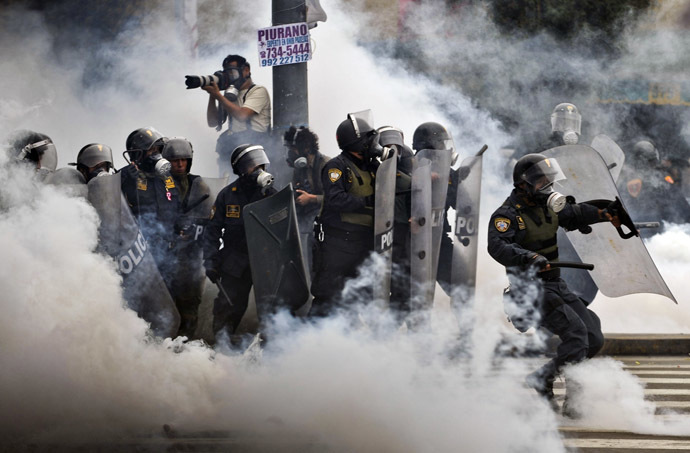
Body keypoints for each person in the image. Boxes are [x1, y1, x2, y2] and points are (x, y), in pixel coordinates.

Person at [487, 153, 620, 417]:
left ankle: (559, 388)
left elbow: (574, 214)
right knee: (577, 338)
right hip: (530, 290)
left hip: (555, 284)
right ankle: (545, 380)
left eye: (549, 181)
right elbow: (498, 246)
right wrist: (529, 257)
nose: (547, 187)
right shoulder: (507, 215)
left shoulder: (549, 206)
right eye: (541, 182)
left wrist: (605, 214)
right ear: (523, 184)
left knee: (593, 338)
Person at [202, 143, 277, 344]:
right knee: (228, 307)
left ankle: (272, 354)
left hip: (264, 262)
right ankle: (221, 349)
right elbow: (212, 231)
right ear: (241, 169)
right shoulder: (228, 195)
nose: (259, 170)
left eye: (261, 165)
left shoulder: (270, 194)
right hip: (235, 261)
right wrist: (210, 261)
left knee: (271, 310)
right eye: (253, 166)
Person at [310, 114, 378, 317]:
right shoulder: (336, 167)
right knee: (327, 297)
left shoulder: (374, 166)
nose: (373, 143)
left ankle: (345, 344)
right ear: (357, 143)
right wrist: (367, 202)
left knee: (360, 297)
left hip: (366, 242)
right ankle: (303, 343)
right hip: (339, 243)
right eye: (369, 138)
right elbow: (334, 199)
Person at [161, 137, 210, 339]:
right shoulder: (160, 184)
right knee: (165, 303)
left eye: (183, 160)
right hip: (165, 254)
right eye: (174, 160)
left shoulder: (199, 186)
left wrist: (194, 228)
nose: (180, 164)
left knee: (190, 303)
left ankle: (187, 343)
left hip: (190, 256)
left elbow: (208, 218)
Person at [120, 127, 180, 286]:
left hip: (166, 247)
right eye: (151, 150)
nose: (156, 154)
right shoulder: (124, 175)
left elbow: (175, 203)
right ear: (137, 154)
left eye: (158, 149)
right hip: (138, 249)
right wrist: (127, 181)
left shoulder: (167, 176)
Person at [203, 54, 271, 177]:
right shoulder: (230, 95)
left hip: (254, 148)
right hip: (233, 147)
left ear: (246, 70)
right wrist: (212, 95)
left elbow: (242, 115)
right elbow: (212, 122)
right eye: (227, 73)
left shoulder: (258, 90)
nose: (230, 77)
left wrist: (219, 95)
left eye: (233, 72)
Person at [412, 121, 460, 296]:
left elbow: (458, 203)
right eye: (441, 143)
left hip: (439, 238)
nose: (445, 148)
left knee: (459, 287)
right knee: (418, 293)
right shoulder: (409, 168)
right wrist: (421, 178)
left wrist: (460, 182)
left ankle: (466, 322)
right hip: (412, 240)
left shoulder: (448, 172)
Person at [283, 125, 329, 277]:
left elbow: (337, 199)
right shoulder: (299, 169)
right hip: (306, 224)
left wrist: (312, 199)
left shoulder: (326, 165)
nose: (291, 153)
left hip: (325, 225)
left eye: (293, 148)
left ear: (306, 148)